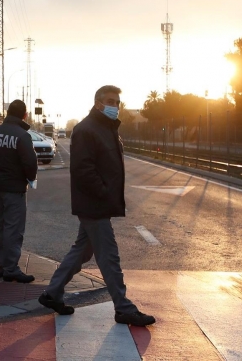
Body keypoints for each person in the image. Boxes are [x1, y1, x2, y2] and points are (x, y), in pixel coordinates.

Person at [39, 85, 155, 327]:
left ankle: (52, 294)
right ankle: (123, 307)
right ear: (98, 102)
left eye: (118, 102)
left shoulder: (107, 128)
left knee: (83, 250)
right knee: (108, 255)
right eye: (110, 101)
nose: (115, 106)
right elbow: (83, 169)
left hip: (99, 202)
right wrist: (103, 193)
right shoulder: (86, 129)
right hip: (94, 204)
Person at [0, 100, 37, 283]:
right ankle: (11, 268)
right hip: (14, 188)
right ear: (24, 115)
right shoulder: (22, 136)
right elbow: (30, 163)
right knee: (13, 229)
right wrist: (31, 178)